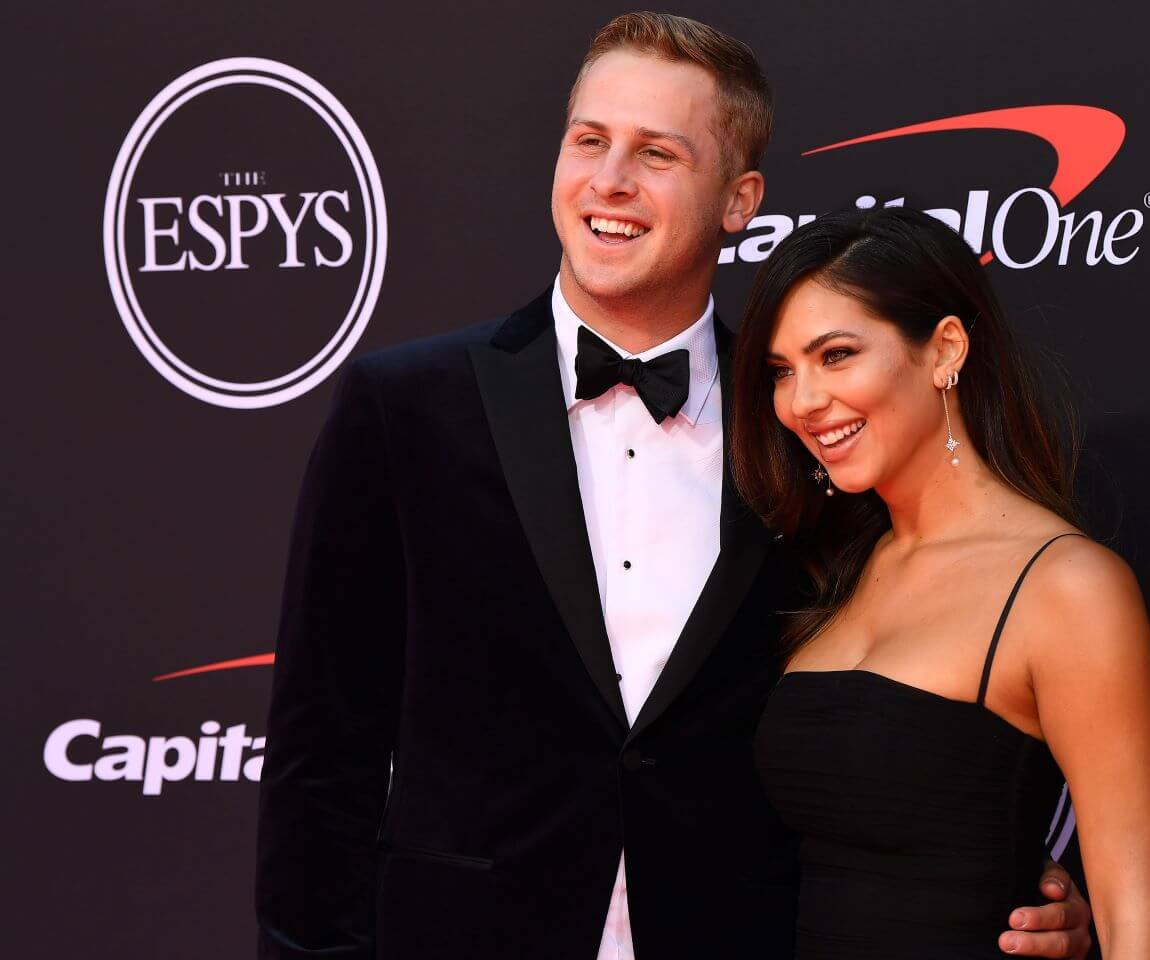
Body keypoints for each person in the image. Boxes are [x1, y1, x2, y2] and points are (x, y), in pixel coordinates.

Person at [256, 13, 1094, 959]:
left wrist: (1030, 890)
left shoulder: (812, 432)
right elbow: (321, 755)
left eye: (657, 153)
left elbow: (910, 721)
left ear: (740, 201)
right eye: (589, 141)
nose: (610, 181)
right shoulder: (404, 408)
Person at [733, 206, 1150, 959]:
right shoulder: (829, 566)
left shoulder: (1066, 588)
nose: (802, 401)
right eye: (782, 371)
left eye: (835, 355)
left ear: (945, 349)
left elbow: (1146, 933)